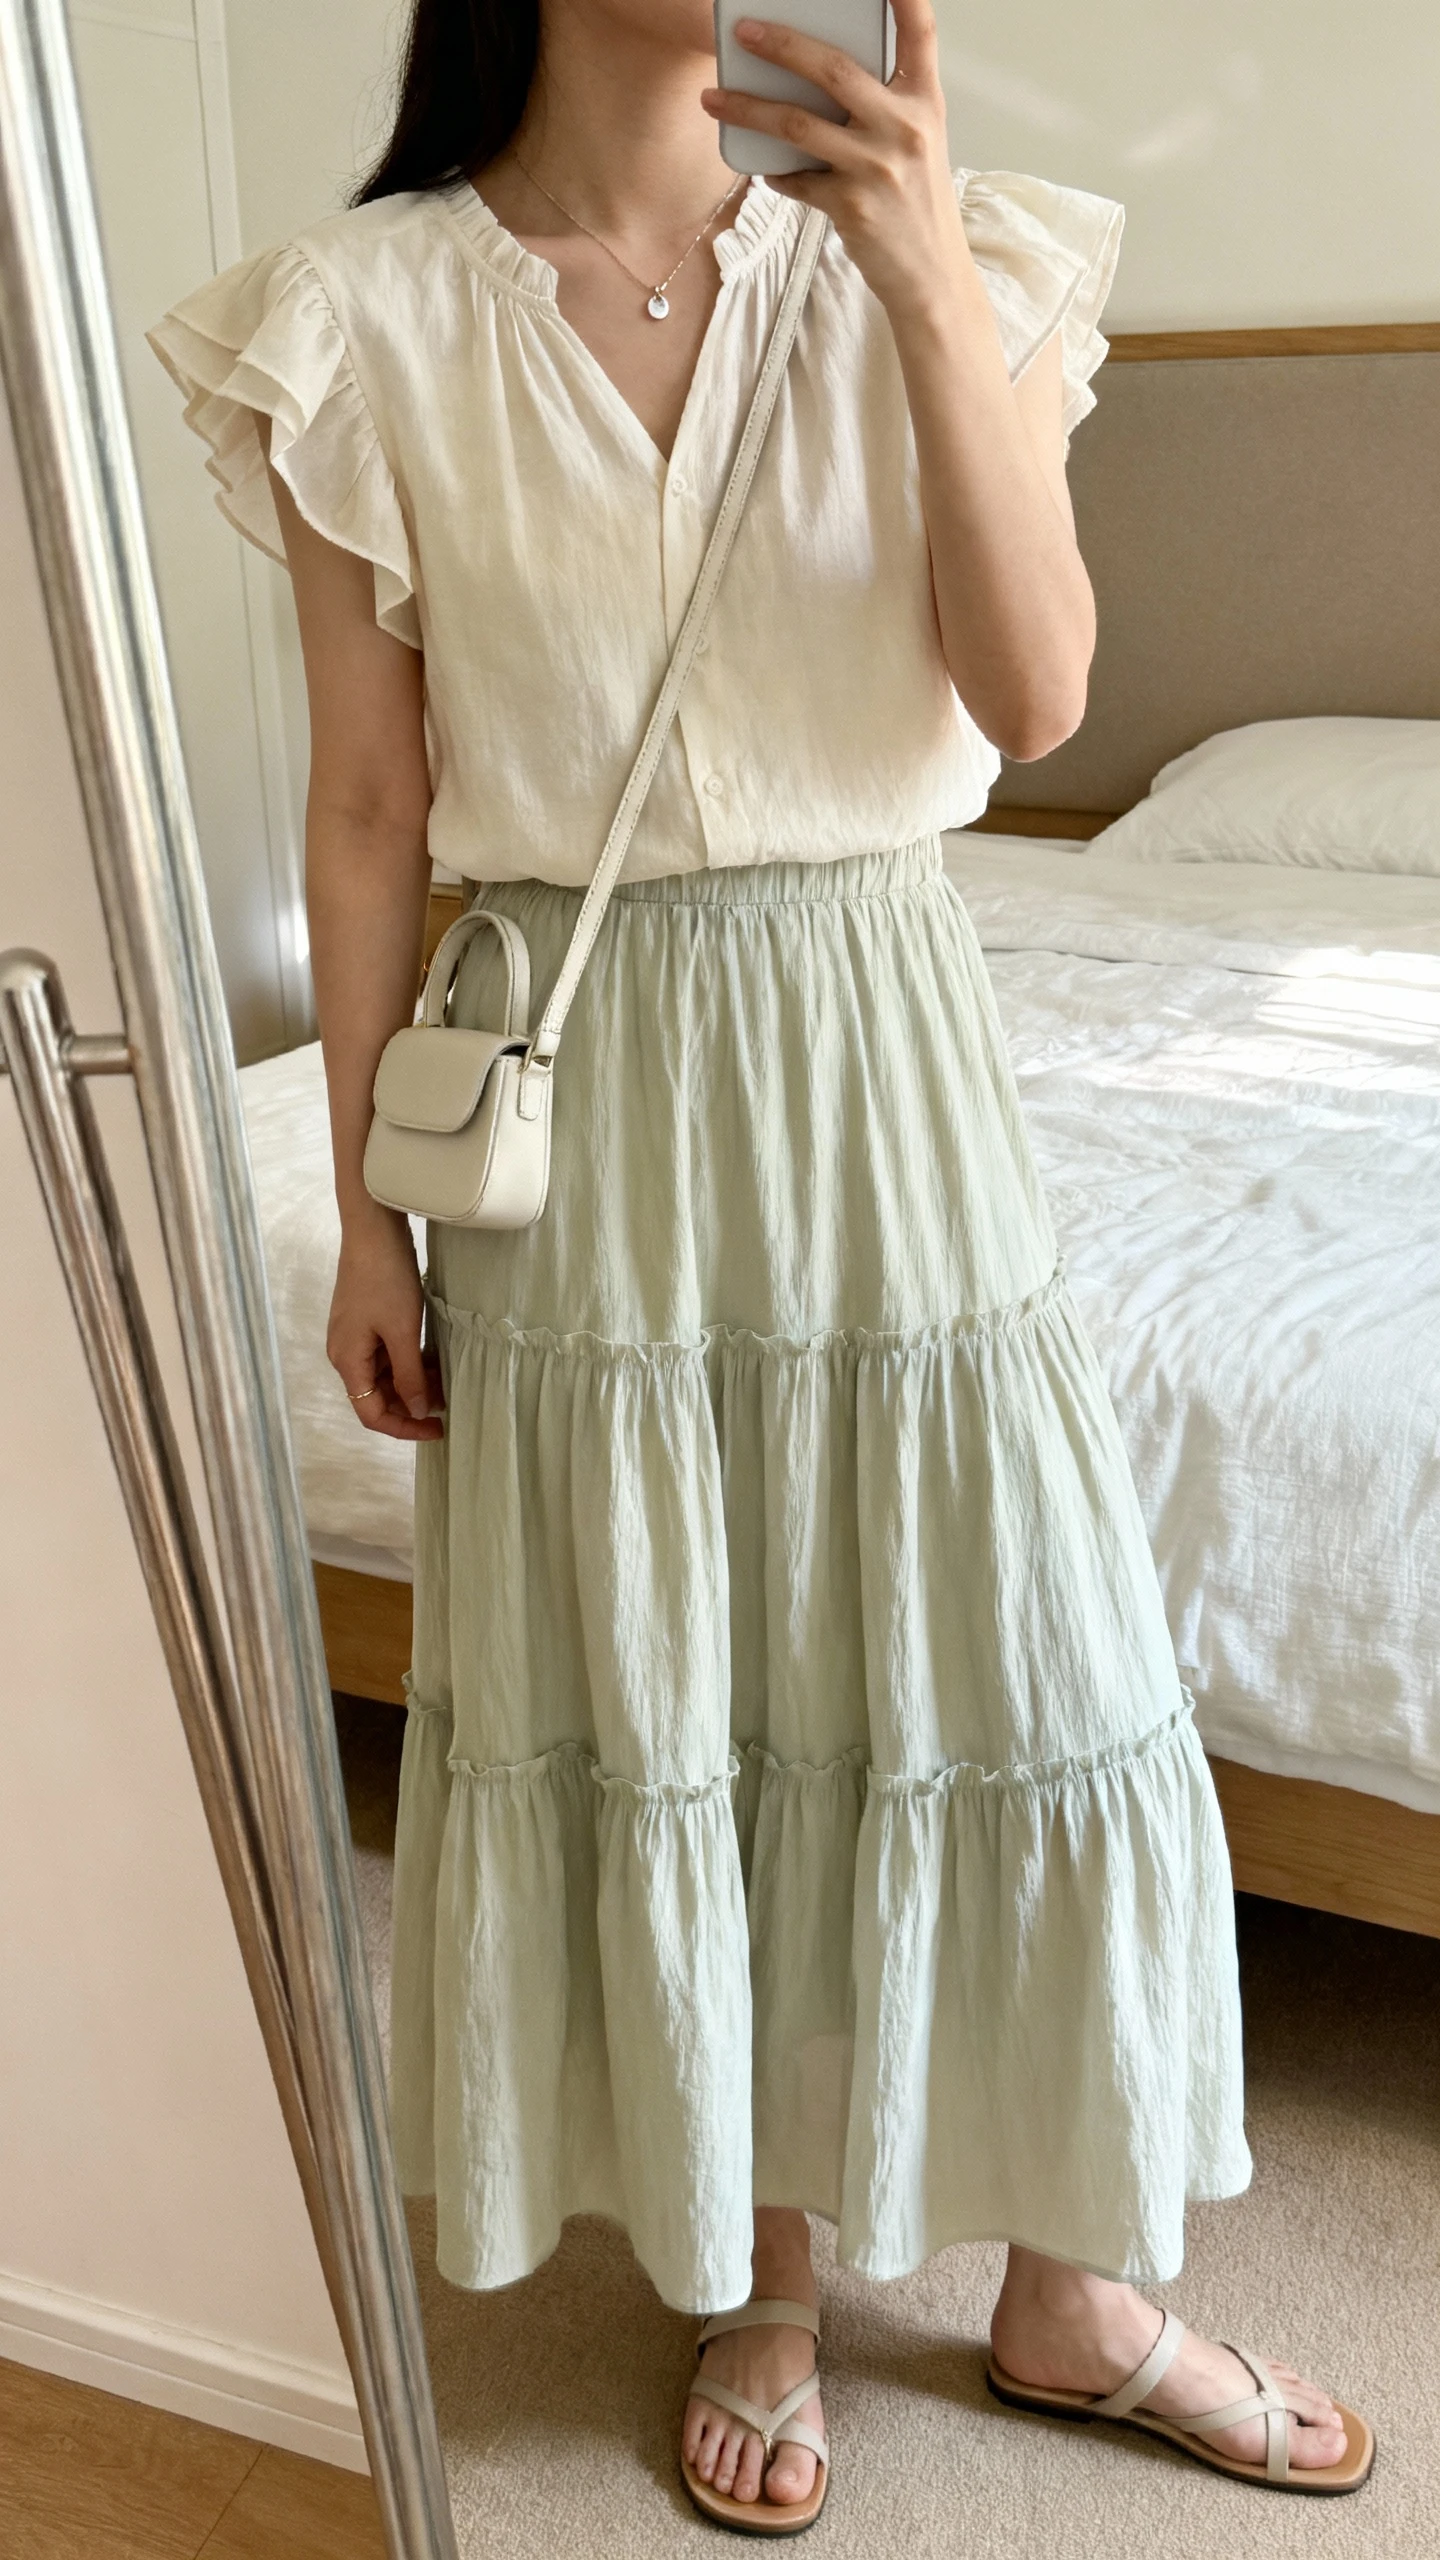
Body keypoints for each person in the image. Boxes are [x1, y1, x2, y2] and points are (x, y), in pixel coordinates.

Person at [151, 0, 1371, 2527]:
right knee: (676, 1665)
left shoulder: (963, 251)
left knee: (1025, 1652)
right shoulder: (356, 318)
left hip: (879, 1035)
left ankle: (1074, 2277)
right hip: (582, 1092)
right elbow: (370, 807)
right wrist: (371, 1198)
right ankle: (763, 2261)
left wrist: (918, 266)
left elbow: (1035, 698)